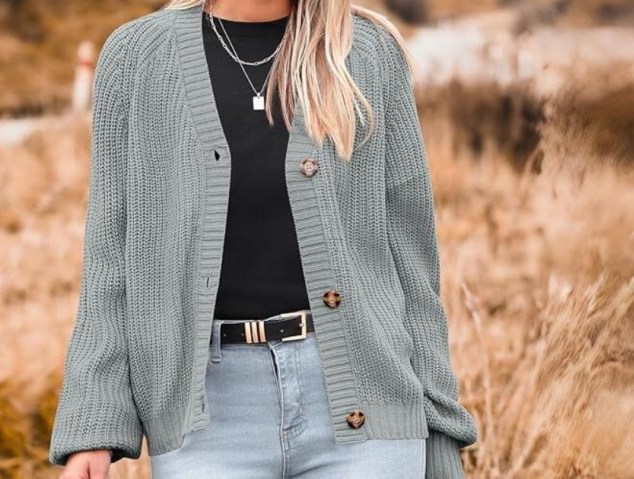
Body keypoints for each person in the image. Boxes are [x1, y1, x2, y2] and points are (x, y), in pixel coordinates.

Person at [49, 0, 478, 477]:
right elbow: (111, 260)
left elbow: (413, 270)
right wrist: (93, 424)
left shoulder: (368, 53)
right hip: (204, 421)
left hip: (367, 408)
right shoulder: (136, 58)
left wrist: (440, 431)